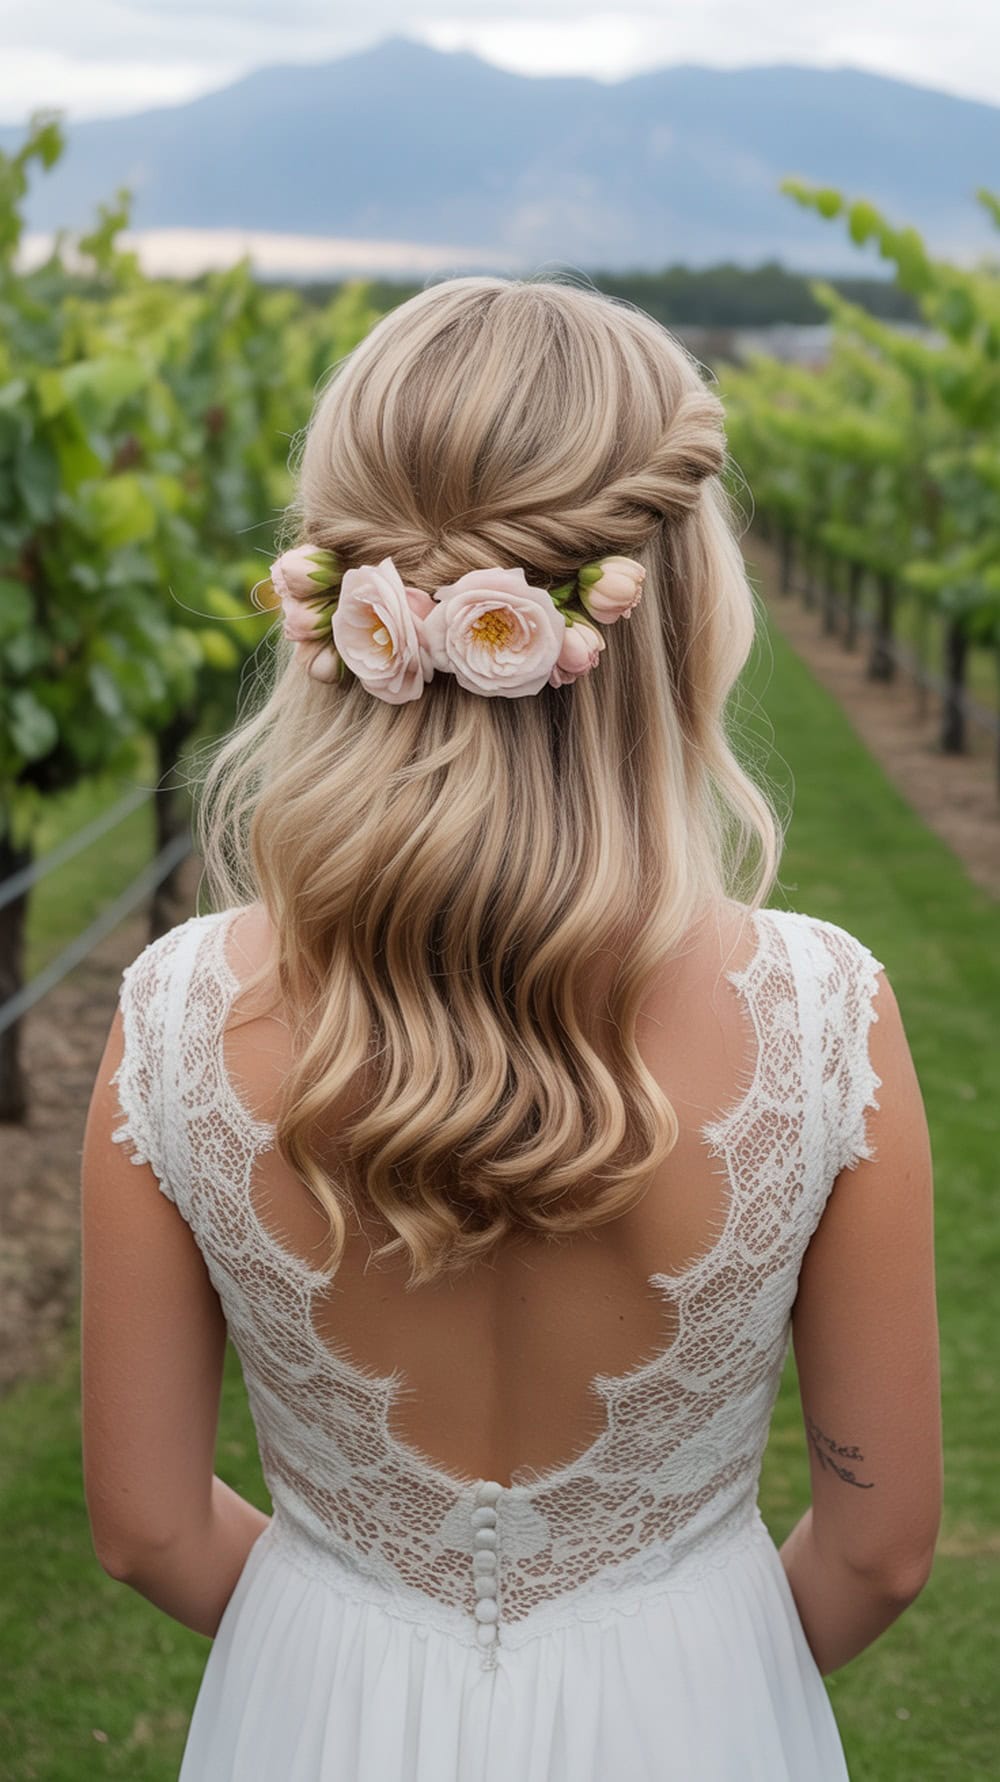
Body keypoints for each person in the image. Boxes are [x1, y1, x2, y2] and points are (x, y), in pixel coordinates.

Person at [80, 276, 942, 1781]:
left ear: (340, 604)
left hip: (311, 1714)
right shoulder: (823, 1017)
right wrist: (687, 1663)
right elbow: (879, 1550)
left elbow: (147, 1521)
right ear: (675, 598)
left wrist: (339, 1643)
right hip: (699, 1718)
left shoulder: (174, 1015)